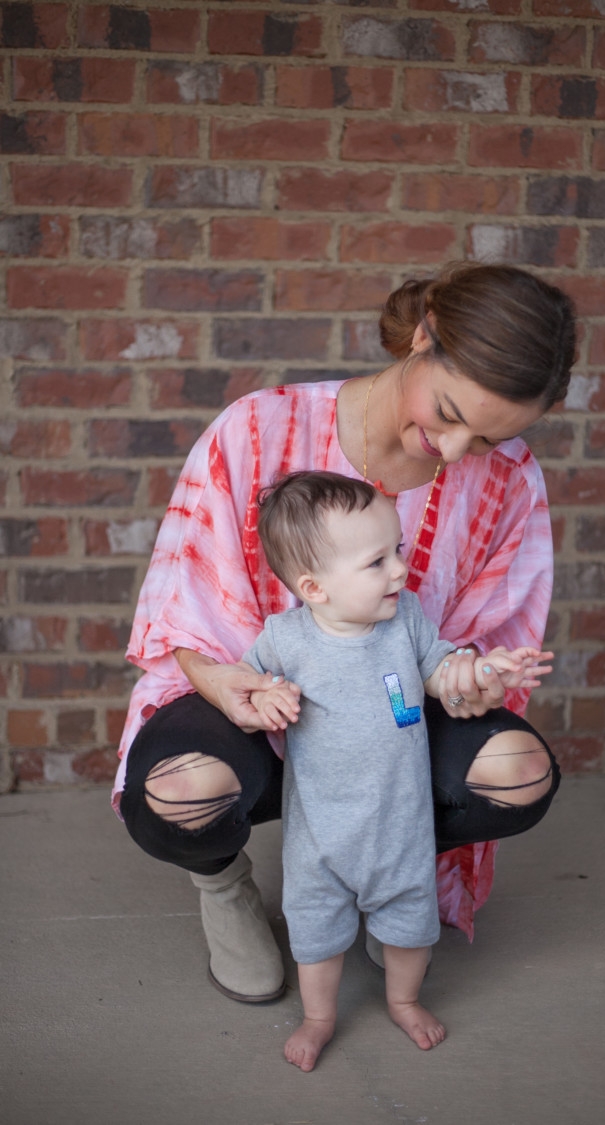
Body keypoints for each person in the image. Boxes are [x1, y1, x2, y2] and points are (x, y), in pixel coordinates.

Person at [115, 261, 576, 1014]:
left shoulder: (511, 481)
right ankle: (224, 885)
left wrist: (473, 676)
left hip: (397, 720)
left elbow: (475, 644)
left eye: (487, 437)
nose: (455, 451)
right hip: (255, 700)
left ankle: (389, 881)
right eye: (450, 411)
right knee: (178, 794)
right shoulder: (257, 428)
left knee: (519, 771)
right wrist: (228, 684)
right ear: (424, 335)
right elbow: (182, 604)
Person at [242, 470, 553, 1070]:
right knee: (317, 934)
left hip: (400, 825)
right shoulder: (285, 639)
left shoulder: (405, 619)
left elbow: (442, 673)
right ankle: (319, 1016)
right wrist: (263, 701)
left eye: (399, 551)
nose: (399, 571)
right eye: (376, 562)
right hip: (322, 837)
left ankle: (405, 1001)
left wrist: (483, 673)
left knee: (410, 928)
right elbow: (248, 688)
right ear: (314, 587)